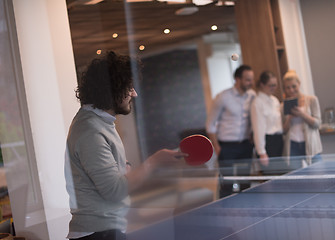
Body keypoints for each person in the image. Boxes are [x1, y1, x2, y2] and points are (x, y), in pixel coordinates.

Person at [64, 51, 187, 240]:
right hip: (98, 234)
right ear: (112, 89)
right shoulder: (91, 130)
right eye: (129, 87)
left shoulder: (99, 123)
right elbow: (115, 191)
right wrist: (154, 162)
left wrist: (124, 167)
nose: (134, 93)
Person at [206, 64, 256, 198]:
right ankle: (225, 213)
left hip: (246, 144)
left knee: (245, 183)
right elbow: (210, 124)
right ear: (237, 79)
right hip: (226, 146)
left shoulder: (252, 96)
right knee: (226, 184)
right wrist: (217, 147)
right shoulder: (223, 97)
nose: (251, 83)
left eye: (252, 79)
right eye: (247, 80)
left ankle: (248, 211)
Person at [281, 70, 322, 170]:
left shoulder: (312, 100)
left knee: (318, 175)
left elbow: (317, 124)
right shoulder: (283, 106)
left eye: (294, 86)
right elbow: (284, 130)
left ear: (299, 84)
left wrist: (302, 114)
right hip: (292, 145)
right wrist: (290, 117)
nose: (291, 90)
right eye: (288, 88)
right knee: (296, 179)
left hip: (311, 144)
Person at [251, 71, 285, 175]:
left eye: (275, 85)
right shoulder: (257, 102)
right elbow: (258, 128)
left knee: (282, 176)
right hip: (268, 143)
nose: (273, 88)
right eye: (271, 85)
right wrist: (262, 152)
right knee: (271, 176)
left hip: (279, 140)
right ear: (262, 84)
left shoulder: (274, 100)